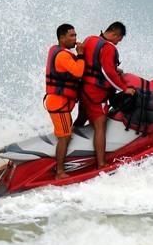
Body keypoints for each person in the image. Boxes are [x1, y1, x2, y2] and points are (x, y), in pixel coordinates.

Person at [79, 21, 136, 167]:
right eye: (119, 39)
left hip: (83, 90)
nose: (117, 43)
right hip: (96, 94)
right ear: (114, 34)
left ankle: (66, 149)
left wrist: (115, 70)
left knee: (80, 120)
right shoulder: (109, 48)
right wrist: (124, 89)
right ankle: (101, 164)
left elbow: (92, 63)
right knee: (100, 128)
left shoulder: (89, 39)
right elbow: (107, 72)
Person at [43, 23, 86, 179]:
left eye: (75, 35)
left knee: (68, 132)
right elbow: (79, 71)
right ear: (62, 38)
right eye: (71, 36)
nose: (75, 38)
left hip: (60, 102)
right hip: (58, 104)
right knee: (65, 136)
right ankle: (59, 172)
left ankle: (70, 162)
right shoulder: (62, 55)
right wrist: (80, 54)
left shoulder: (60, 51)